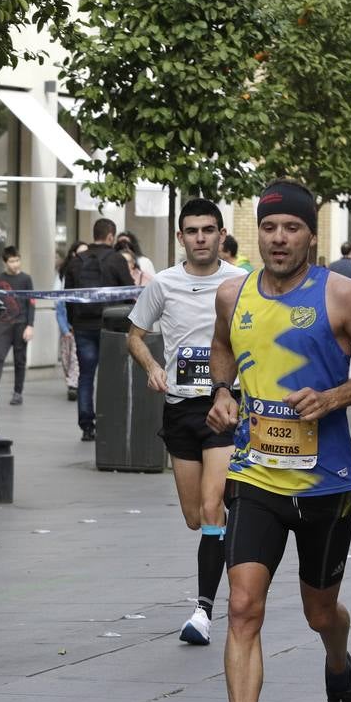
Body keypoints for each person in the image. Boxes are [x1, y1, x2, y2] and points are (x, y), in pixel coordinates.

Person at [201, 180, 351, 702]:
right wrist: (223, 394)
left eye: (290, 229)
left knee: (320, 611)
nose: (277, 239)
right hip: (254, 476)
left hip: (326, 483)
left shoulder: (340, 295)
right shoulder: (231, 294)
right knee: (243, 607)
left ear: (309, 236)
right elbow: (223, 349)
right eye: (269, 228)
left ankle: (339, 665)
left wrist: (333, 396)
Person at [126, 198, 245, 646]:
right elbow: (134, 336)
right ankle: (238, 516)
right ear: (180, 238)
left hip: (224, 403)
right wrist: (152, 367)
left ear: (220, 235)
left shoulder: (240, 282)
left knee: (213, 506)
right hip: (179, 407)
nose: (200, 238)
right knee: (196, 517)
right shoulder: (164, 284)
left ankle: (204, 611)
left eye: (208, 230)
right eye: (192, 230)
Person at [64, 219, 134, 441]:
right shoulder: (116, 260)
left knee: (86, 375)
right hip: (110, 327)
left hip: (83, 326)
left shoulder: (76, 262)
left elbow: (67, 296)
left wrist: (72, 323)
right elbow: (130, 293)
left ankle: (87, 426)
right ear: (111, 236)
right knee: (111, 375)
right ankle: (109, 419)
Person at [0, 245, 34, 406]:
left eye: (17, 260)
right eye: (12, 261)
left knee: (20, 360)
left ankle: (18, 392)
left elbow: (31, 302)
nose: (16, 264)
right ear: (5, 262)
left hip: (21, 323)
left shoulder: (26, 279)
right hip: (3, 324)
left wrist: (30, 325)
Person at [56, 242, 87, 403]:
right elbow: (59, 304)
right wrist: (64, 327)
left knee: (75, 356)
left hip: (80, 325)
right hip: (66, 324)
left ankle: (73, 385)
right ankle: (71, 380)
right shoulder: (64, 274)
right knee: (66, 357)